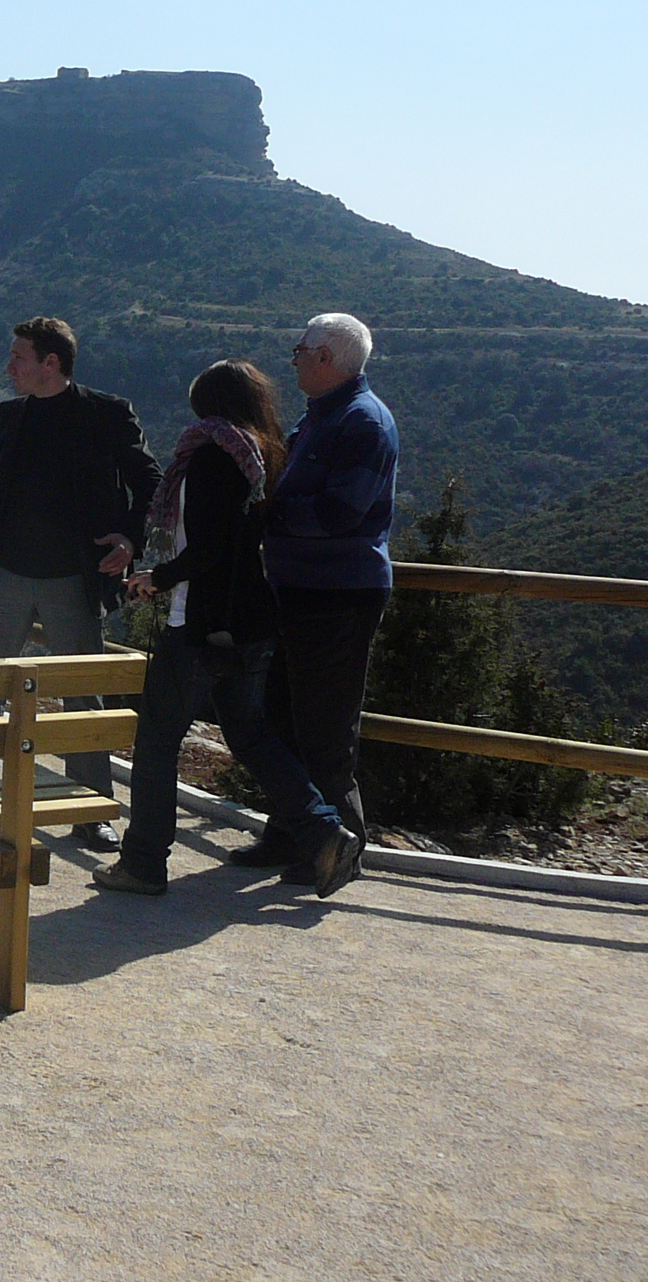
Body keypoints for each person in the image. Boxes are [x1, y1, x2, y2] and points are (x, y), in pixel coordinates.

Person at [92, 361, 361, 898]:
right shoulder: (262, 452)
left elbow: (208, 549)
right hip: (252, 621)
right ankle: (324, 830)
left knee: (156, 742)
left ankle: (143, 861)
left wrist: (158, 577)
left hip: (202, 623)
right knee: (252, 735)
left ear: (205, 403)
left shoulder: (213, 456)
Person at [0, 316, 160, 851]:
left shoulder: (107, 414)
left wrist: (130, 541)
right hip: (6, 575)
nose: (9, 367)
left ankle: (89, 810)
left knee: (80, 697)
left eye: (18, 357)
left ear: (51, 363)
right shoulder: (6, 417)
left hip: (75, 576)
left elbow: (151, 482)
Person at [230, 312, 399, 883]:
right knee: (282, 718)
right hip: (299, 591)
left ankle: (339, 850)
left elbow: (339, 514)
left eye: (300, 349)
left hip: (338, 595)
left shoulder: (363, 423)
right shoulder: (322, 418)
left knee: (324, 728)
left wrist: (264, 515)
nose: (294, 357)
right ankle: (295, 833)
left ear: (326, 358)